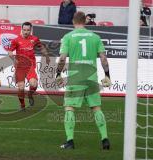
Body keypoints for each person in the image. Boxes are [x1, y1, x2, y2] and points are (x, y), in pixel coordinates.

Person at [56, 11, 111, 149]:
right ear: (85, 21)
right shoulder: (95, 37)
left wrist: (58, 74)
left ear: (73, 21)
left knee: (70, 108)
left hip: (76, 78)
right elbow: (103, 58)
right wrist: (108, 75)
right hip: (91, 78)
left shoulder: (68, 37)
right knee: (96, 108)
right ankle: (105, 139)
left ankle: (70, 141)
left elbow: (62, 58)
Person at [8, 22, 50, 111]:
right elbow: (10, 52)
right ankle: (22, 105)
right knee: (21, 87)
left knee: (34, 84)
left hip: (30, 66)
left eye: (28, 30)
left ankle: (30, 94)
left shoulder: (34, 39)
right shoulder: (16, 40)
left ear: (30, 30)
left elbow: (41, 47)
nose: (26, 32)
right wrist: (14, 60)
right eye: (24, 30)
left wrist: (46, 56)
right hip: (20, 67)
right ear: (21, 29)